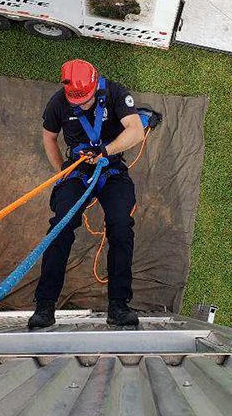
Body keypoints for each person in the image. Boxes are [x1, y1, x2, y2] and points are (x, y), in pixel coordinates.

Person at [28, 59, 145, 329]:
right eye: (75, 103)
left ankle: (118, 305)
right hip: (78, 168)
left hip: (110, 166)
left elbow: (136, 130)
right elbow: (49, 137)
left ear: (95, 85)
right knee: (61, 225)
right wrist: (62, 171)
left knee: (121, 225)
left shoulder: (115, 93)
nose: (80, 106)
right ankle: (45, 305)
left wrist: (106, 152)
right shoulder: (58, 103)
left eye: (85, 101)